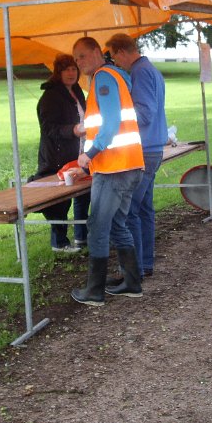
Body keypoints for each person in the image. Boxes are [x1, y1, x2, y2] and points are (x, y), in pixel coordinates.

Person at [69, 36, 145, 306]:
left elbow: (111, 124)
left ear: (96, 52)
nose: (78, 62)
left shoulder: (102, 77)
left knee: (98, 227)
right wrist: (86, 130)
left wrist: (87, 155)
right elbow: (110, 119)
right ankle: (132, 283)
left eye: (82, 55)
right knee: (117, 225)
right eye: (75, 58)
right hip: (130, 165)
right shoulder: (117, 75)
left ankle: (94, 291)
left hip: (114, 168)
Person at [104, 33, 168, 283]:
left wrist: (117, 120)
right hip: (154, 147)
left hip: (143, 149)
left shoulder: (140, 72)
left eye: (113, 56)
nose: (115, 63)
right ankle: (145, 264)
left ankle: (133, 270)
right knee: (143, 210)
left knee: (128, 211)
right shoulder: (151, 70)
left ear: (121, 52)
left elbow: (145, 112)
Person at [32, 53, 90, 253]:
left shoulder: (76, 91)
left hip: (78, 152)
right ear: (58, 72)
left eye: (74, 68)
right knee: (60, 200)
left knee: (84, 193)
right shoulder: (50, 96)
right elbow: (49, 128)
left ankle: (82, 236)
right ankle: (59, 242)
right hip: (56, 156)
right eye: (66, 69)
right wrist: (73, 130)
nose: (71, 73)